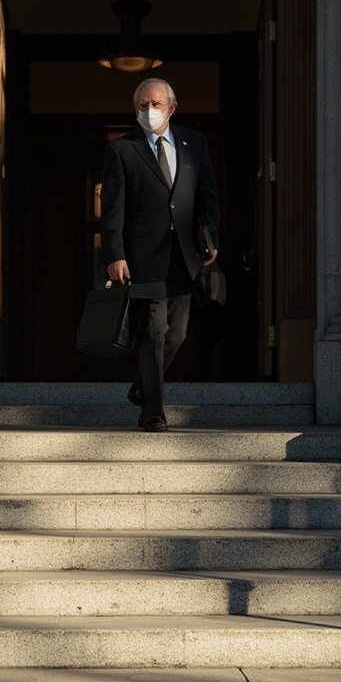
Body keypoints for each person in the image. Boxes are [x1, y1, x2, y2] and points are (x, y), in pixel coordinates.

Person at [100, 78, 220, 431]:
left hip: (184, 256)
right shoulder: (122, 150)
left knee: (177, 334)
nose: (148, 111)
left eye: (154, 104)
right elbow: (112, 209)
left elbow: (207, 196)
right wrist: (115, 253)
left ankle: (141, 387)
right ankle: (153, 411)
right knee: (153, 331)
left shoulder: (194, 143)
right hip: (142, 256)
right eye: (141, 105)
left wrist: (210, 239)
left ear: (171, 107)